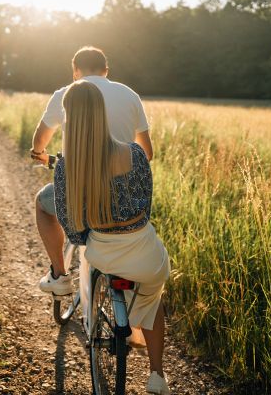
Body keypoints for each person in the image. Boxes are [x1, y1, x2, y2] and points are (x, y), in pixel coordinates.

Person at [55, 80, 171, 394]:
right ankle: (157, 375)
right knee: (152, 300)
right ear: (102, 113)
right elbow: (146, 207)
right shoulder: (135, 153)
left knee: (104, 270)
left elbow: (70, 225)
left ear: (69, 118)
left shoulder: (67, 166)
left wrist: (91, 235)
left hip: (104, 253)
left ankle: (118, 327)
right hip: (146, 255)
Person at [31, 46, 152, 311]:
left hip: (82, 193)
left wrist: (40, 154)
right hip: (123, 198)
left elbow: (40, 140)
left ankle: (59, 275)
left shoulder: (67, 94)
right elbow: (147, 153)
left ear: (75, 71)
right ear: (106, 71)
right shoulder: (129, 94)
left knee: (42, 203)